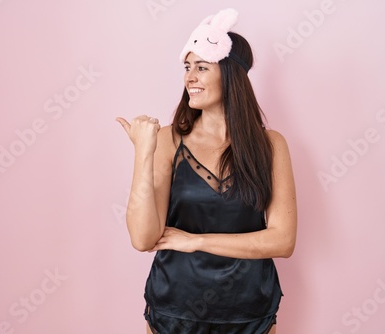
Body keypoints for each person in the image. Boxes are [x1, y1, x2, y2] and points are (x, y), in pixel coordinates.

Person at [116, 8, 297, 334]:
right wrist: (144, 152)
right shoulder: (168, 139)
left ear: (230, 75)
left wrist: (196, 241)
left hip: (249, 313)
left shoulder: (271, 145)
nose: (190, 78)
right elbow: (143, 238)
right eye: (187, 67)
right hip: (174, 310)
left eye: (201, 67)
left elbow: (282, 241)